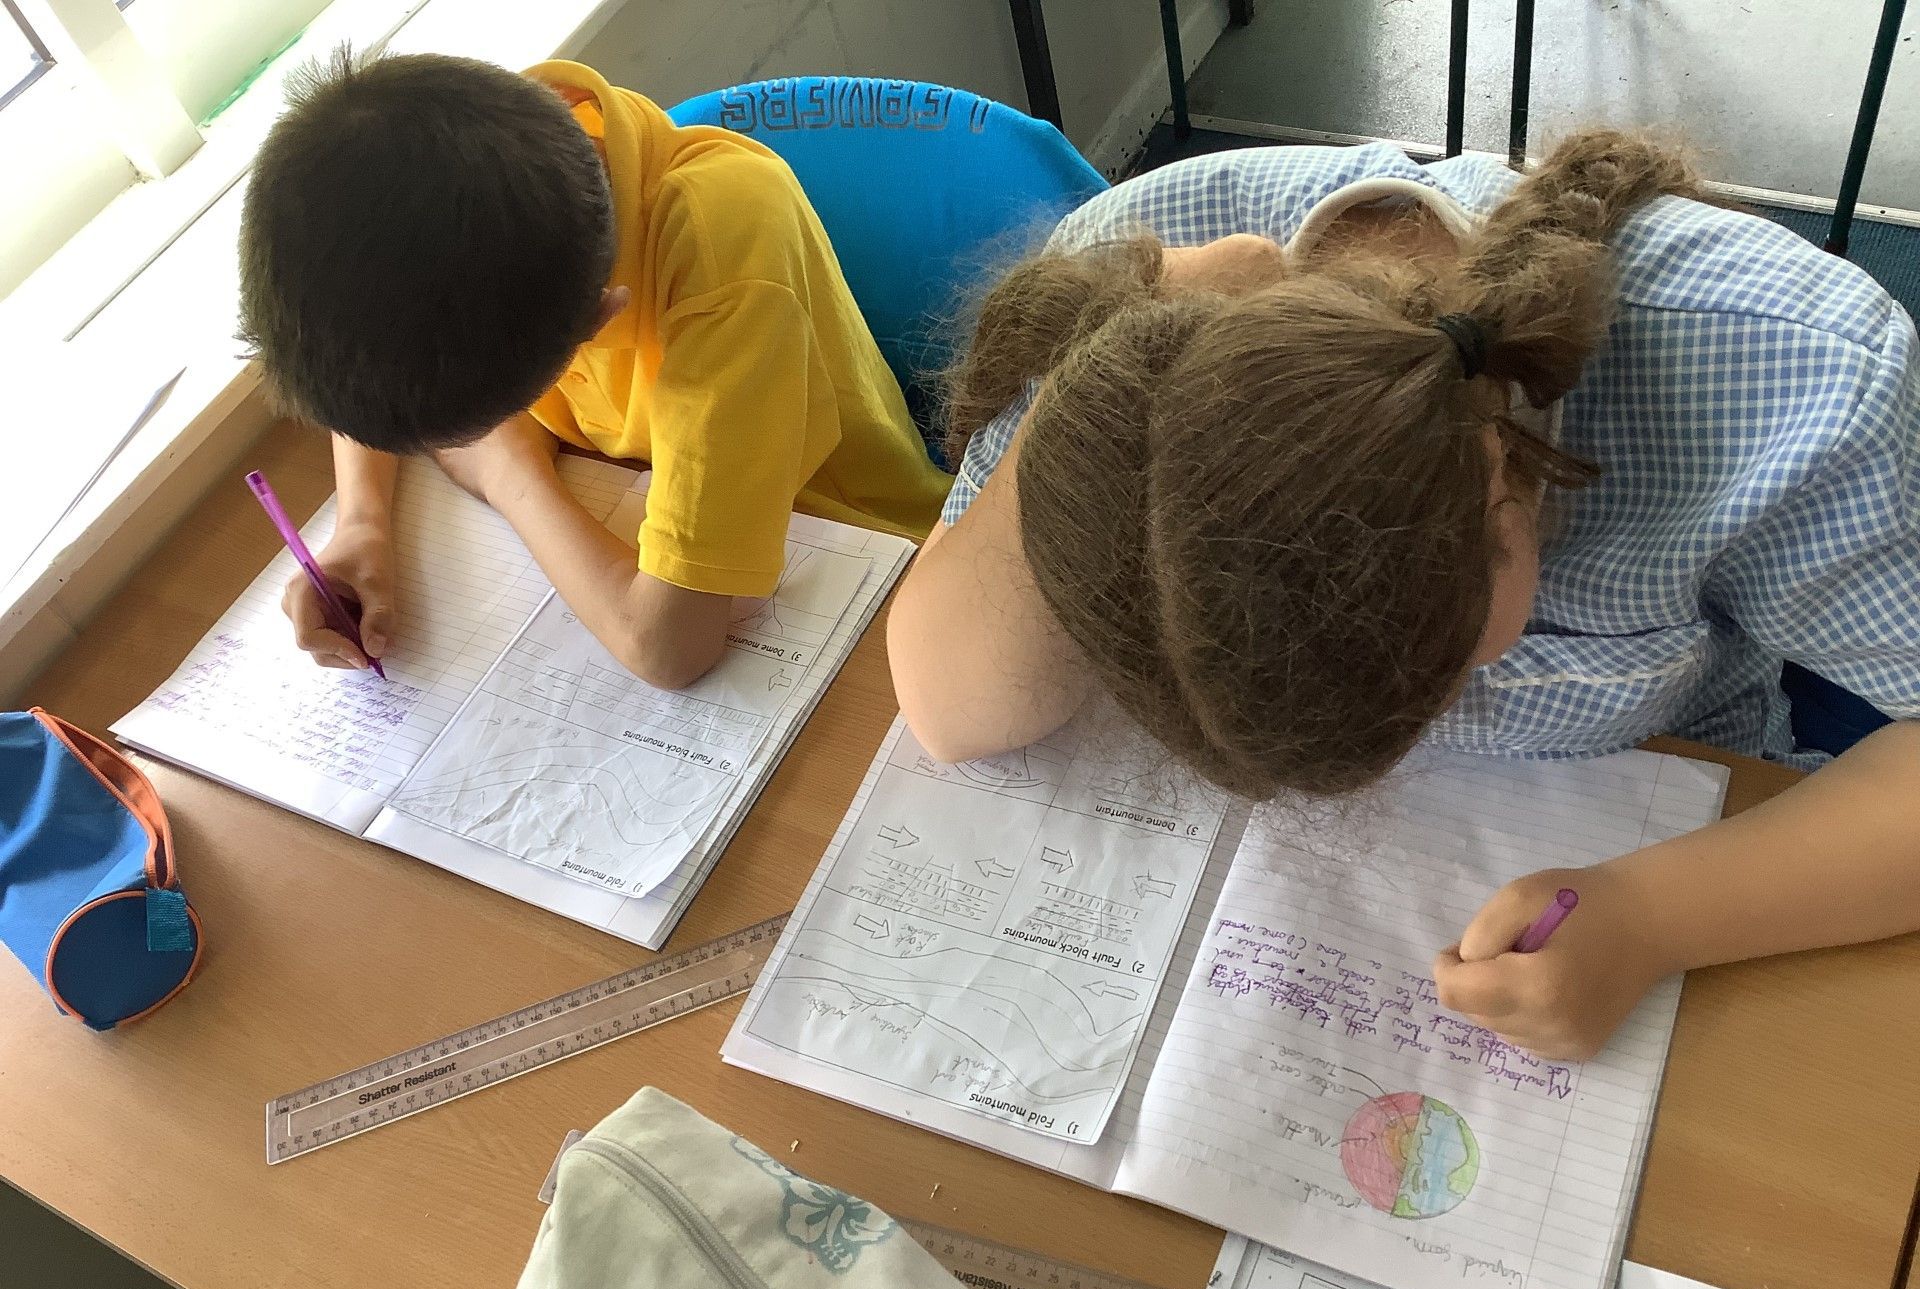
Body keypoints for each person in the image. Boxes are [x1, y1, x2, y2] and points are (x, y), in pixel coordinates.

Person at [888, 130, 1920, 1061]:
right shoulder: (1124, 272)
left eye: (1452, 656)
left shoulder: (1802, 381)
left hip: (1701, 845)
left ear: (1504, 479)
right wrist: (1105, 368)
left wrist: (1654, 919)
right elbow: (953, 709)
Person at [240, 53, 948, 689]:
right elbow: (372, 338)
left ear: (598, 322)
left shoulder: (723, 258)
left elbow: (668, 647)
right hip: (637, 497)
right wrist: (362, 522)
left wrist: (508, 474)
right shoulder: (467, 162)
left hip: (859, 566)